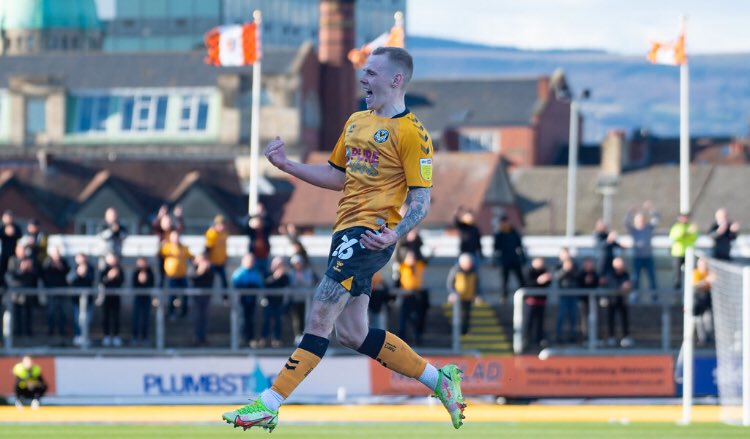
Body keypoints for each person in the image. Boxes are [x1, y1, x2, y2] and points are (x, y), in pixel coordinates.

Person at [223, 47, 466, 431]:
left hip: (370, 234)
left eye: (371, 73)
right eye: (363, 72)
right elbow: (339, 176)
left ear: (396, 79)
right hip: (344, 232)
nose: (363, 79)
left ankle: (269, 402)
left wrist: (395, 235)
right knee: (352, 333)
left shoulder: (412, 133)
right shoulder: (355, 121)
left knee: (320, 314)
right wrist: (287, 165)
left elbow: (421, 200)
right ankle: (441, 381)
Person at [623, 201, 659, 300]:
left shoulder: (648, 228)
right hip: (637, 257)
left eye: (642, 220)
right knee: (635, 278)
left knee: (652, 278)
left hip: (648, 257)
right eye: (638, 220)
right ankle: (635, 296)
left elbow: (656, 219)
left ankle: (654, 296)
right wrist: (630, 212)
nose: (640, 222)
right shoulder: (633, 230)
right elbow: (625, 222)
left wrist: (651, 209)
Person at [232, 253, 264, 348]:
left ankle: (250, 338)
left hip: (252, 300)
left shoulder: (255, 272)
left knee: (250, 319)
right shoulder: (239, 272)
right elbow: (235, 284)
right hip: (242, 300)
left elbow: (259, 284)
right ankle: (241, 338)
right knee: (242, 319)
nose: (250, 263)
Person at [397, 250, 427, 345]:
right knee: (404, 317)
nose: (411, 259)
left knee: (416, 318)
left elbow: (425, 258)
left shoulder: (419, 265)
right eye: (409, 257)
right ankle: (402, 338)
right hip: (406, 295)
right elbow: (397, 256)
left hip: (417, 295)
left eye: (413, 257)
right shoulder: (403, 266)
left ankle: (417, 337)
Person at [493, 215, 525, 304]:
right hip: (504, 260)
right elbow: (496, 248)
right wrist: (496, 259)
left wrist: (522, 257)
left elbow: (519, 246)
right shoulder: (499, 234)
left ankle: (524, 295)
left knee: (520, 278)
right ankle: (504, 297)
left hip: (514, 259)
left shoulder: (514, 232)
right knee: (504, 280)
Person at [161, 229, 193, 320]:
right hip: (172, 276)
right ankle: (171, 313)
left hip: (182, 275)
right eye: (174, 236)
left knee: (185, 295)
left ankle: (184, 313)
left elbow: (191, 257)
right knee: (172, 295)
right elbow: (160, 254)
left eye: (177, 236)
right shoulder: (167, 246)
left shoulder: (184, 247)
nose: (176, 238)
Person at [446, 253, 481, 336]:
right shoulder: (455, 270)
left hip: (468, 296)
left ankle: (464, 331)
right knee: (457, 315)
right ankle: (456, 332)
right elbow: (450, 284)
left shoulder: (474, 271)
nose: (469, 265)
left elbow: (477, 284)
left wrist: (477, 295)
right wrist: (453, 293)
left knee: (466, 315)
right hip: (458, 297)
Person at [604, 257, 634, 348]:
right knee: (611, 319)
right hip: (612, 300)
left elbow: (629, 284)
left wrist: (627, 286)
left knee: (624, 319)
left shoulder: (625, 274)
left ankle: (626, 337)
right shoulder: (610, 274)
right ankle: (611, 337)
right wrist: (621, 286)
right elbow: (611, 284)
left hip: (622, 299)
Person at [287, 253, 317, 345]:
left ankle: (305, 336)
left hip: (306, 299)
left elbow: (310, 283)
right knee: (297, 319)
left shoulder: (308, 272)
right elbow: (291, 284)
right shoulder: (291, 273)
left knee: (306, 317)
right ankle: (298, 336)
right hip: (296, 299)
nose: (298, 265)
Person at [9, 246, 39, 337]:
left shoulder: (30, 260)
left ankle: (28, 331)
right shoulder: (12, 260)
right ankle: (18, 331)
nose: (23, 252)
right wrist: (21, 270)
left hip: (28, 292)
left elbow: (36, 275)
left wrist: (29, 269)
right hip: (17, 292)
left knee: (28, 313)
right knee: (17, 313)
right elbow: (10, 275)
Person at [261, 256, 290, 348]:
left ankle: (276, 339)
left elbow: (287, 285)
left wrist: (281, 276)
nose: (278, 267)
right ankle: (263, 339)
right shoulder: (267, 273)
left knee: (278, 321)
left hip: (279, 302)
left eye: (280, 265)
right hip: (268, 301)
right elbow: (265, 284)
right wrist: (275, 277)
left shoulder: (285, 276)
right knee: (266, 320)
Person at [41, 246, 70, 338]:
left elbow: (67, 272)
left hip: (62, 290)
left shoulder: (64, 261)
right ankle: (51, 330)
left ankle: (62, 330)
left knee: (63, 311)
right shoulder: (47, 262)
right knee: (51, 311)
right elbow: (44, 274)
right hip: (51, 290)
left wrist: (60, 266)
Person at [97, 252, 124, 347]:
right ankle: (106, 336)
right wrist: (108, 277)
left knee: (116, 317)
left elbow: (122, 281)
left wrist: (116, 276)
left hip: (116, 297)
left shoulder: (119, 269)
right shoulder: (104, 269)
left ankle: (116, 336)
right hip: (106, 297)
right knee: (106, 317)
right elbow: (101, 281)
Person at [525, 257, 551, 351]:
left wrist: (546, 279)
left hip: (541, 302)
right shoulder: (530, 272)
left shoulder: (544, 271)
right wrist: (538, 281)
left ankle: (538, 340)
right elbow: (528, 284)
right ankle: (527, 340)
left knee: (540, 323)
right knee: (529, 322)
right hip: (531, 302)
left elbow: (548, 284)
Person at [69, 253, 95, 347]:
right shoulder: (73, 268)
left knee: (88, 318)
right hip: (76, 299)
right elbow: (69, 279)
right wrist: (77, 273)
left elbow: (92, 279)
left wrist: (85, 273)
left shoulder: (90, 268)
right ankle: (78, 336)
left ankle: (85, 336)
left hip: (88, 299)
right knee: (77, 319)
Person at [668, 212, 699, 289]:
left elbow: (694, 237)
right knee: (677, 276)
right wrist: (686, 233)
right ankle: (676, 293)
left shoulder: (690, 226)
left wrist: (687, 234)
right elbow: (675, 237)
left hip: (689, 254)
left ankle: (691, 292)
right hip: (678, 254)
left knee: (692, 273)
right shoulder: (676, 227)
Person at [191, 253, 215, 347]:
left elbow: (211, 280)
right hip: (197, 297)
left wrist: (207, 269)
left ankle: (203, 337)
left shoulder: (210, 270)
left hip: (206, 297)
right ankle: (196, 337)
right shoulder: (193, 269)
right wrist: (200, 271)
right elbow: (193, 279)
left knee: (204, 317)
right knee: (197, 317)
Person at [131, 257, 155, 347]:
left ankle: (145, 337)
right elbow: (134, 285)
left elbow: (152, 284)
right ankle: (134, 337)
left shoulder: (150, 272)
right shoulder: (136, 272)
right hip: (138, 298)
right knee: (136, 318)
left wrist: (146, 280)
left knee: (146, 318)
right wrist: (139, 280)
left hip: (147, 298)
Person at [575, 257, 601, 341]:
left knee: (594, 318)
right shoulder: (580, 274)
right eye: (588, 263)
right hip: (583, 300)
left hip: (593, 300)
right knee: (584, 319)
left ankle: (595, 336)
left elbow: (597, 284)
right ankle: (586, 336)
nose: (589, 265)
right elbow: (578, 285)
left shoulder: (595, 274)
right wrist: (585, 282)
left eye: (591, 263)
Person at [555, 258, 578, 344]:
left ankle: (573, 335)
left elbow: (578, 277)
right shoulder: (559, 266)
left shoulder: (575, 267)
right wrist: (564, 270)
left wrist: (571, 269)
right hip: (563, 295)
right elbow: (557, 277)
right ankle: (558, 335)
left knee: (573, 316)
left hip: (573, 295)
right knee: (561, 316)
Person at [246, 203, 272, 276]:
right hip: (254, 255)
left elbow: (271, 224)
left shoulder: (265, 227)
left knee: (265, 273)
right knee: (254, 273)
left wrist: (264, 216)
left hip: (265, 255)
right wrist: (252, 216)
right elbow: (244, 226)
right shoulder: (252, 230)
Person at [693, 257, 714, 345]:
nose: (703, 266)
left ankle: (709, 338)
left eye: (704, 264)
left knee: (708, 319)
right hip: (697, 301)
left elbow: (713, 283)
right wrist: (706, 281)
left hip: (707, 300)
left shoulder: (709, 273)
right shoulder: (695, 273)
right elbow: (696, 285)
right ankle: (702, 339)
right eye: (701, 264)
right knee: (699, 320)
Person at [205, 215, 229, 290]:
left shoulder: (224, 234)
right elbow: (208, 248)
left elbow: (224, 248)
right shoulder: (211, 233)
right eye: (220, 225)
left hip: (221, 262)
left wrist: (225, 258)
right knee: (210, 281)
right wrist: (207, 260)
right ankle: (208, 298)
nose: (222, 227)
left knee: (224, 282)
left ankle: (225, 299)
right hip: (212, 262)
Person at [1, 210, 23, 289]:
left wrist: (13, 232)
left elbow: (20, 236)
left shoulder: (16, 227)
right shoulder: (1, 227)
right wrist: (4, 232)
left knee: (12, 273)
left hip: (13, 255)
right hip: (2, 255)